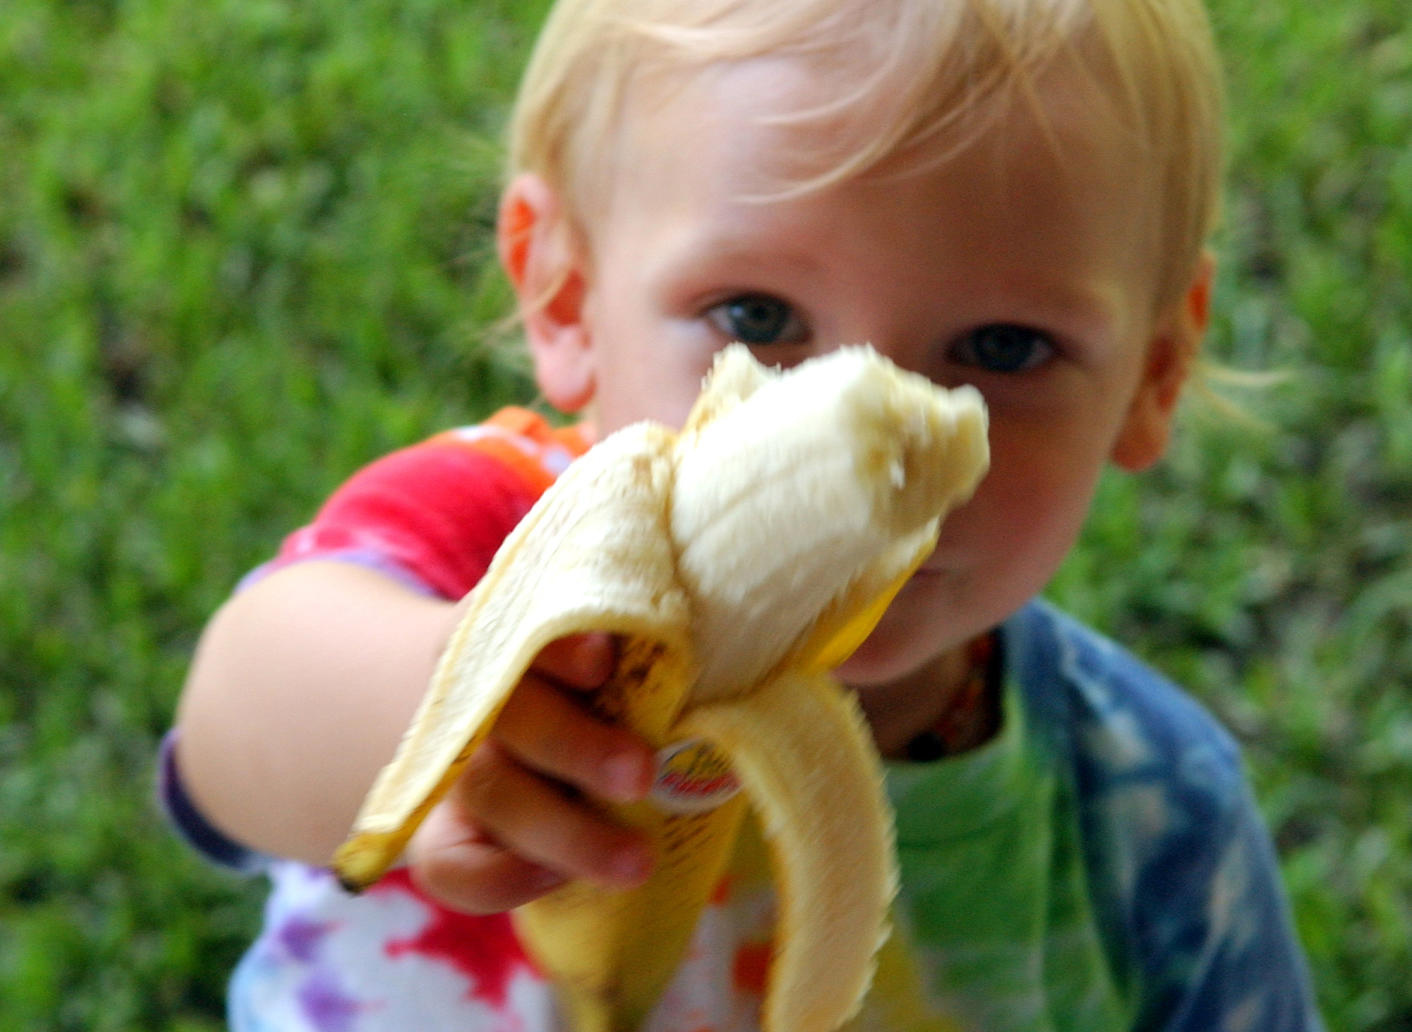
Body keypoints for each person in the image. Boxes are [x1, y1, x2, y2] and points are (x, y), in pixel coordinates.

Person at [163, 0, 1325, 1028]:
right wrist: (448, 700)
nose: (863, 431)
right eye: (756, 317)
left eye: (1002, 349)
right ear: (564, 291)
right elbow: (228, 733)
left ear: (1154, 372)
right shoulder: (498, 544)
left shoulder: (1147, 807)